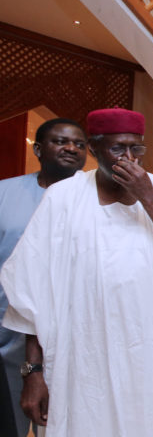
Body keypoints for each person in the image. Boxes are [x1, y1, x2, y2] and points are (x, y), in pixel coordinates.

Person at [0, 108, 153, 436]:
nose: (129, 159)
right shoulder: (63, 199)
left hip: (149, 355)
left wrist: (148, 198)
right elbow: (30, 292)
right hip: (80, 359)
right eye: (118, 149)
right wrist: (34, 373)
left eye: (136, 149)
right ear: (94, 150)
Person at [0, 118, 87, 437]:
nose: (71, 148)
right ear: (37, 149)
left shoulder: (94, 200)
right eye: (60, 141)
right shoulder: (4, 194)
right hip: (8, 331)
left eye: (79, 144)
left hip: (71, 331)